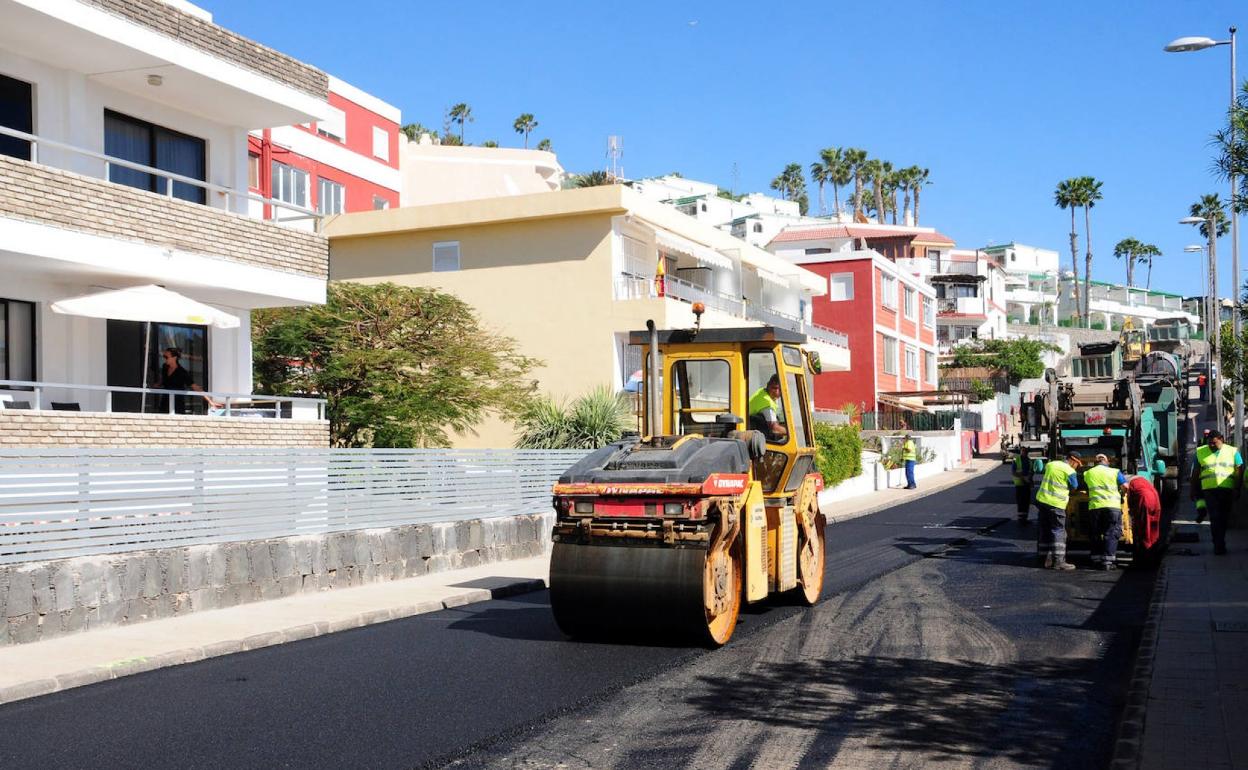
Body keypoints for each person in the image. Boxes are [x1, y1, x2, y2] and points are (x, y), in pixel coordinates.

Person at [1190, 429, 1243, 556]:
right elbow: (1195, 473)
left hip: (1226, 490)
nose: (1211, 446)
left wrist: (1237, 488)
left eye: (1214, 443)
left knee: (1224, 518)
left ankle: (1220, 541)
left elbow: (1239, 469)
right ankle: (1218, 544)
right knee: (1214, 517)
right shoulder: (1201, 452)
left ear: (1221, 439)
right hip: (1209, 490)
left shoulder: (1232, 451)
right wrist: (1193, 489)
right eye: (1210, 443)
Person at [1035, 452, 1082, 570]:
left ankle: (1042, 558)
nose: (1077, 467)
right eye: (1077, 464)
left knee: (1044, 528)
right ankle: (1059, 562)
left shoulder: (1051, 464)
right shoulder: (1070, 472)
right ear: (1073, 460)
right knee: (1058, 530)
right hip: (1056, 503)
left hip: (1042, 501)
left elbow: (1043, 471)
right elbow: (1074, 487)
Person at [1085, 453, 1129, 570]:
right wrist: (1122, 493)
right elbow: (1125, 486)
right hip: (1112, 507)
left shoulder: (1088, 473)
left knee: (1095, 533)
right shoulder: (1114, 472)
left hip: (1095, 507)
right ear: (1107, 462)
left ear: (1095, 462)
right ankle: (1108, 562)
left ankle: (1095, 559)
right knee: (1111, 533)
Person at [153, 347, 219, 414]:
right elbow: (164, 379)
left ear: (174, 358)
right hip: (165, 400)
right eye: (163, 356)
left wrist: (210, 401)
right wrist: (157, 384)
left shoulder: (182, 372)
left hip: (177, 402)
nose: (164, 359)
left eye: (166, 357)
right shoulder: (165, 367)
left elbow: (195, 387)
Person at [1125, 474, 1162, 555]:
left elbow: (1128, 500)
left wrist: (1131, 513)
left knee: (1143, 527)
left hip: (1145, 499)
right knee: (1153, 527)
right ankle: (1154, 549)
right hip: (1155, 499)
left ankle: (1144, 553)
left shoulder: (1128, 483)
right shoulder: (1142, 480)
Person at [748, 375, 787, 442]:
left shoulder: (762, 391)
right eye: (774, 388)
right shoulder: (767, 404)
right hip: (756, 436)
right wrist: (790, 432)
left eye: (780, 389)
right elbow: (775, 429)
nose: (777, 391)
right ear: (768, 385)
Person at [1012, 448, 1036, 523]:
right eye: (1022, 451)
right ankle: (1020, 518)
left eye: (1025, 452)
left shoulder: (1029, 461)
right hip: (1019, 484)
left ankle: (1025, 518)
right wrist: (1023, 478)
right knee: (1021, 502)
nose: (1023, 453)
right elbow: (1014, 472)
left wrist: (1030, 481)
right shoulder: (1016, 460)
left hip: (1027, 484)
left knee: (1026, 501)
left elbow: (1031, 471)